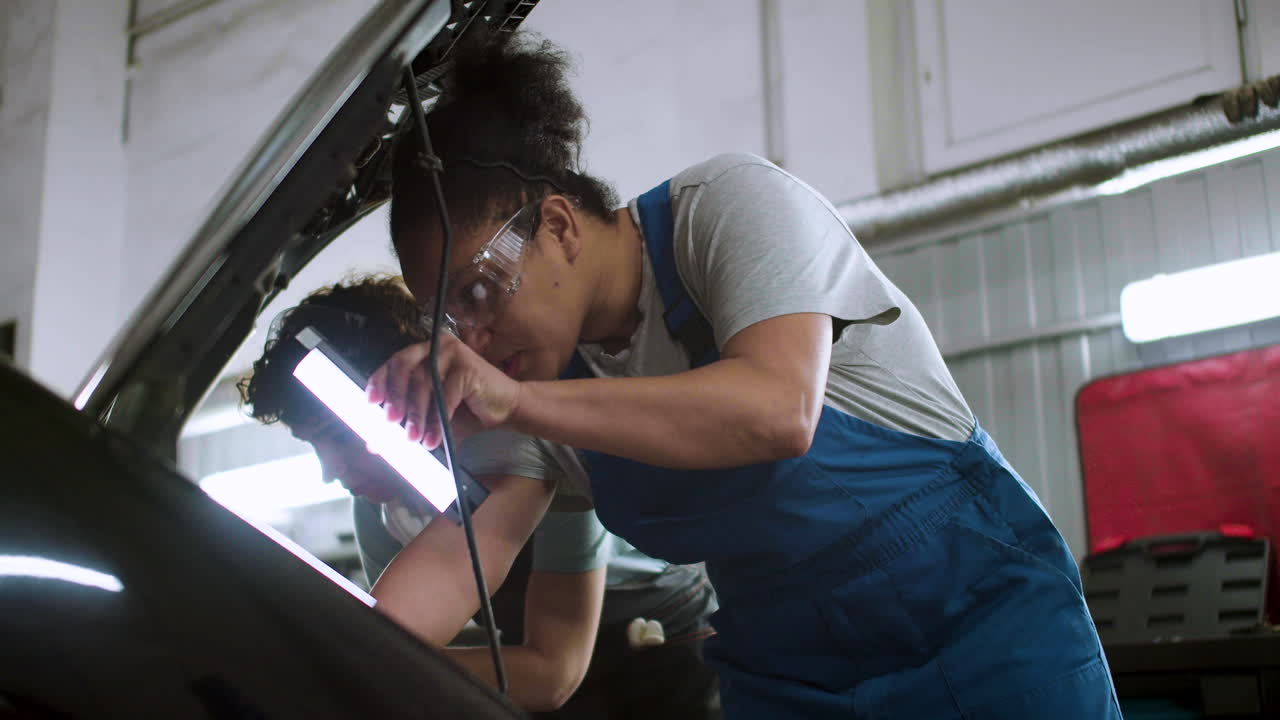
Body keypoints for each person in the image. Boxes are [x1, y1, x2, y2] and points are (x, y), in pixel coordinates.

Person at [366, 29, 1124, 719]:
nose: (475, 336)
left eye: (478, 291)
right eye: (451, 321)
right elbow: (459, 558)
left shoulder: (722, 208)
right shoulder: (535, 391)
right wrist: (322, 643)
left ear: (559, 225)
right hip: (789, 671)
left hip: (977, 622)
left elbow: (777, 410)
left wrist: (523, 402)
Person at [239, 275, 720, 718]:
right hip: (538, 670)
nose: (331, 473)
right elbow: (404, 645)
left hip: (665, 645)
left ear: (412, 386)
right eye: (314, 447)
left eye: (340, 438)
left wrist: (392, 663)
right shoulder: (379, 514)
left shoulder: (528, 453)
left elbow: (553, 672)